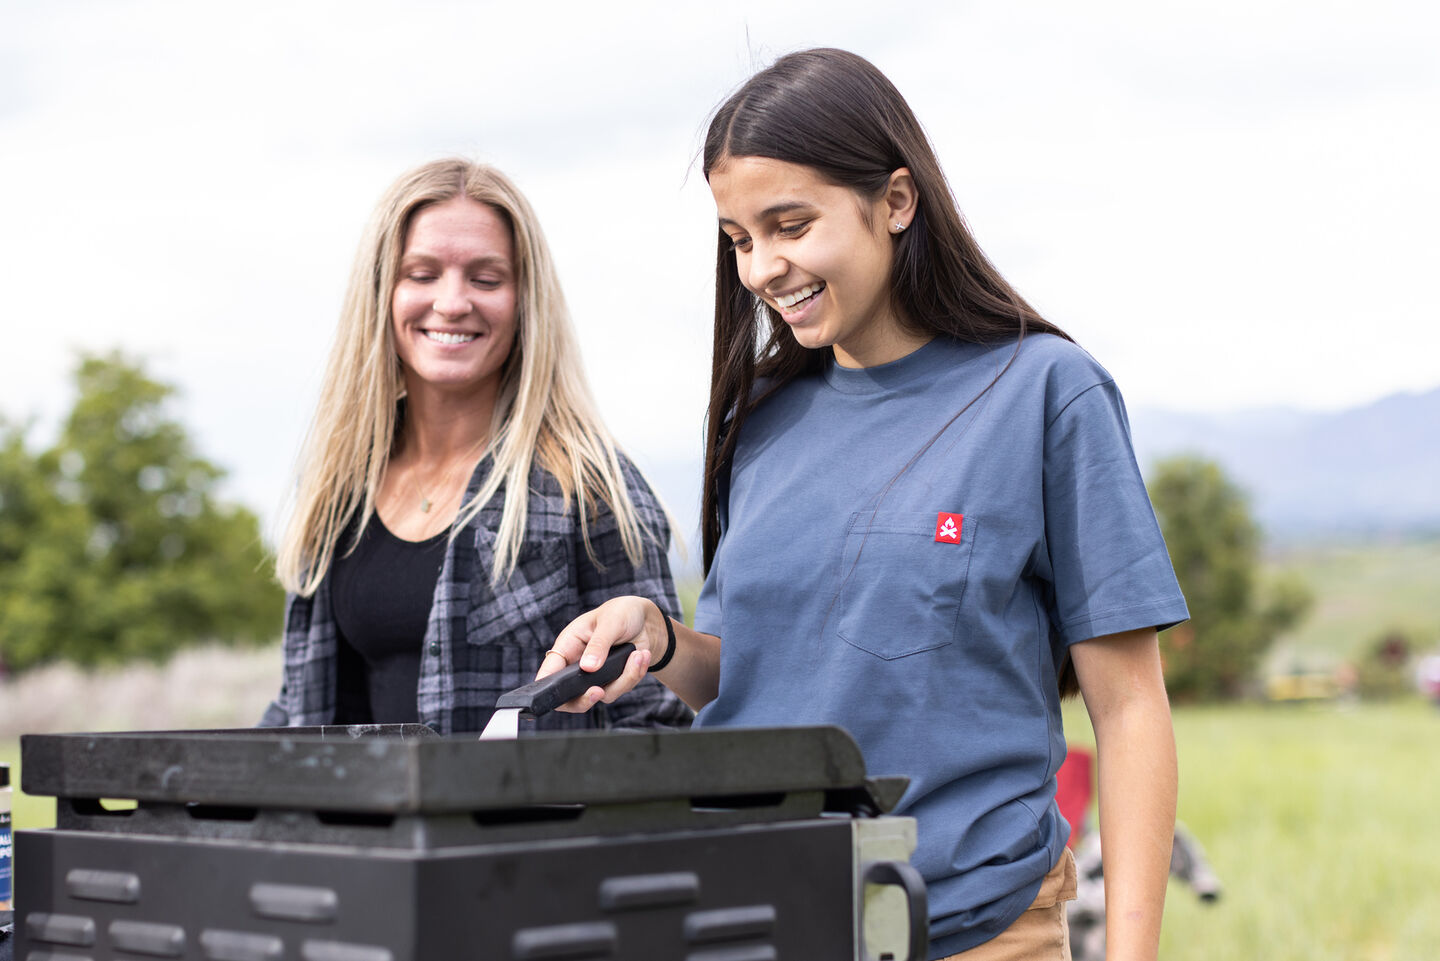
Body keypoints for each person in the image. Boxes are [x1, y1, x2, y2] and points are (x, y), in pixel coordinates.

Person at [543, 49, 1188, 960]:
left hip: (972, 928)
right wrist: (659, 634)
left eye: (790, 225)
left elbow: (1128, 710)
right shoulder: (756, 419)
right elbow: (749, 672)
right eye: (738, 238)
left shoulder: (1045, 393)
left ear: (895, 200)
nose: (763, 267)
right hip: (753, 921)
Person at [261, 159, 690, 735]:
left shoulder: (588, 486)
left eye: (486, 279)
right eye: (422, 273)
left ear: (523, 302)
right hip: (353, 825)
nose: (453, 302)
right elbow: (298, 707)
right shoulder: (339, 490)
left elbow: (657, 725)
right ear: (382, 293)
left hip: (529, 826)